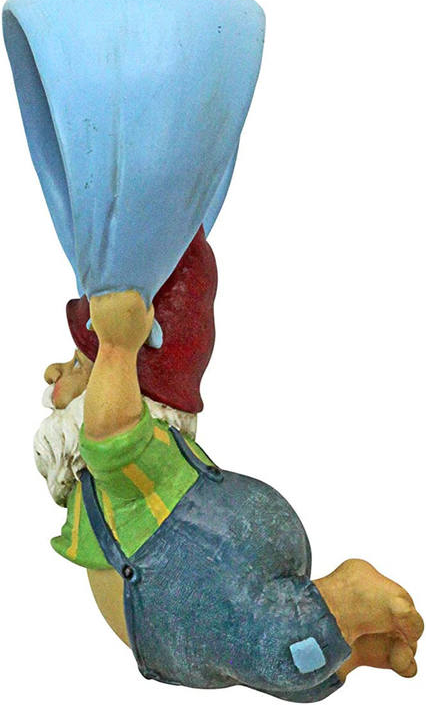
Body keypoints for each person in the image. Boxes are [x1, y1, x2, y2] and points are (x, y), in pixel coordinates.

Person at [35, 287, 423, 703]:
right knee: (271, 663)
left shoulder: (126, 453)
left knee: (285, 654)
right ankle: (356, 647)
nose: (52, 372)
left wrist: (117, 345)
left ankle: (349, 598)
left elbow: (110, 436)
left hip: (205, 556)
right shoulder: (102, 473)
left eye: (78, 363)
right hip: (200, 584)